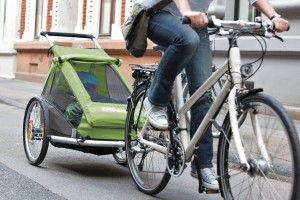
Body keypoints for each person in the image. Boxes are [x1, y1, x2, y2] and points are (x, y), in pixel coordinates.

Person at [139, 0, 289, 190]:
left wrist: (274, 17)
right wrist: (186, 11)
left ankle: (203, 165)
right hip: (159, 14)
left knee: (204, 93)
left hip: (196, 22)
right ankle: (155, 100)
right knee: (187, 39)